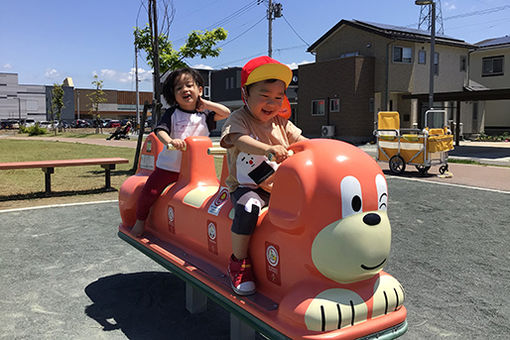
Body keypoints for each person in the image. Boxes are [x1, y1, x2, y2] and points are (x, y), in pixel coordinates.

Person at [220, 56, 308, 295]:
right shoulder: (239, 119)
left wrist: (325, 150)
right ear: (246, 94)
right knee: (248, 208)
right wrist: (267, 148)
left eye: (278, 97)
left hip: (278, 188)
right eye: (264, 95)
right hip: (248, 187)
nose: (272, 102)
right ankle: (238, 262)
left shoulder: (282, 123)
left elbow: (304, 143)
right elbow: (239, 139)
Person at [130, 68, 230, 237]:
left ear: (199, 89)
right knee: (150, 192)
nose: (185, 90)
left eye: (189, 85)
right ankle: (140, 220)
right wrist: (169, 141)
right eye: (179, 88)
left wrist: (205, 103)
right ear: (173, 95)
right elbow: (159, 131)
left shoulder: (204, 115)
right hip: (170, 167)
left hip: (199, 170)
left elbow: (226, 112)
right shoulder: (172, 114)